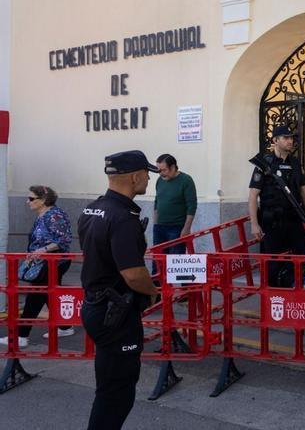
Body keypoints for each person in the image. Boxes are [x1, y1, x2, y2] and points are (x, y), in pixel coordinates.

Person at [79, 150, 160, 430]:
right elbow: (134, 274)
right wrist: (152, 291)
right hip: (115, 315)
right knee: (117, 394)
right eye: (147, 174)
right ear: (135, 176)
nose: (149, 178)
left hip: (96, 307)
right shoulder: (123, 217)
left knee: (108, 387)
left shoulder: (92, 209)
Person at [0, 185, 73, 347]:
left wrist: (42, 250)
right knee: (49, 295)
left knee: (35, 295)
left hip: (53, 262)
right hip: (45, 261)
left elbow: (64, 239)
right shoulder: (44, 215)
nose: (28, 202)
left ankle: (21, 336)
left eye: (31, 198)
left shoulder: (54, 215)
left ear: (44, 200)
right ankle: (65, 326)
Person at [248, 125, 305, 287]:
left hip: (293, 219)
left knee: (303, 257)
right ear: (275, 140)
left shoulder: (296, 163)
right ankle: (272, 296)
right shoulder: (264, 164)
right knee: (272, 262)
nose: (290, 141)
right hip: (271, 221)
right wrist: (254, 224)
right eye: (285, 138)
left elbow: (304, 191)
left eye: (291, 138)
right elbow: (253, 195)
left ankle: (302, 292)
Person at [153, 154, 197, 255]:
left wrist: (186, 228)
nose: (161, 174)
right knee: (158, 262)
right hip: (159, 227)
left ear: (173, 167)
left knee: (174, 261)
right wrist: (155, 224)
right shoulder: (160, 180)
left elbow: (191, 206)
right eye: (159, 171)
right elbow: (157, 202)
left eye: (164, 170)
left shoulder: (186, 180)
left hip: (177, 228)